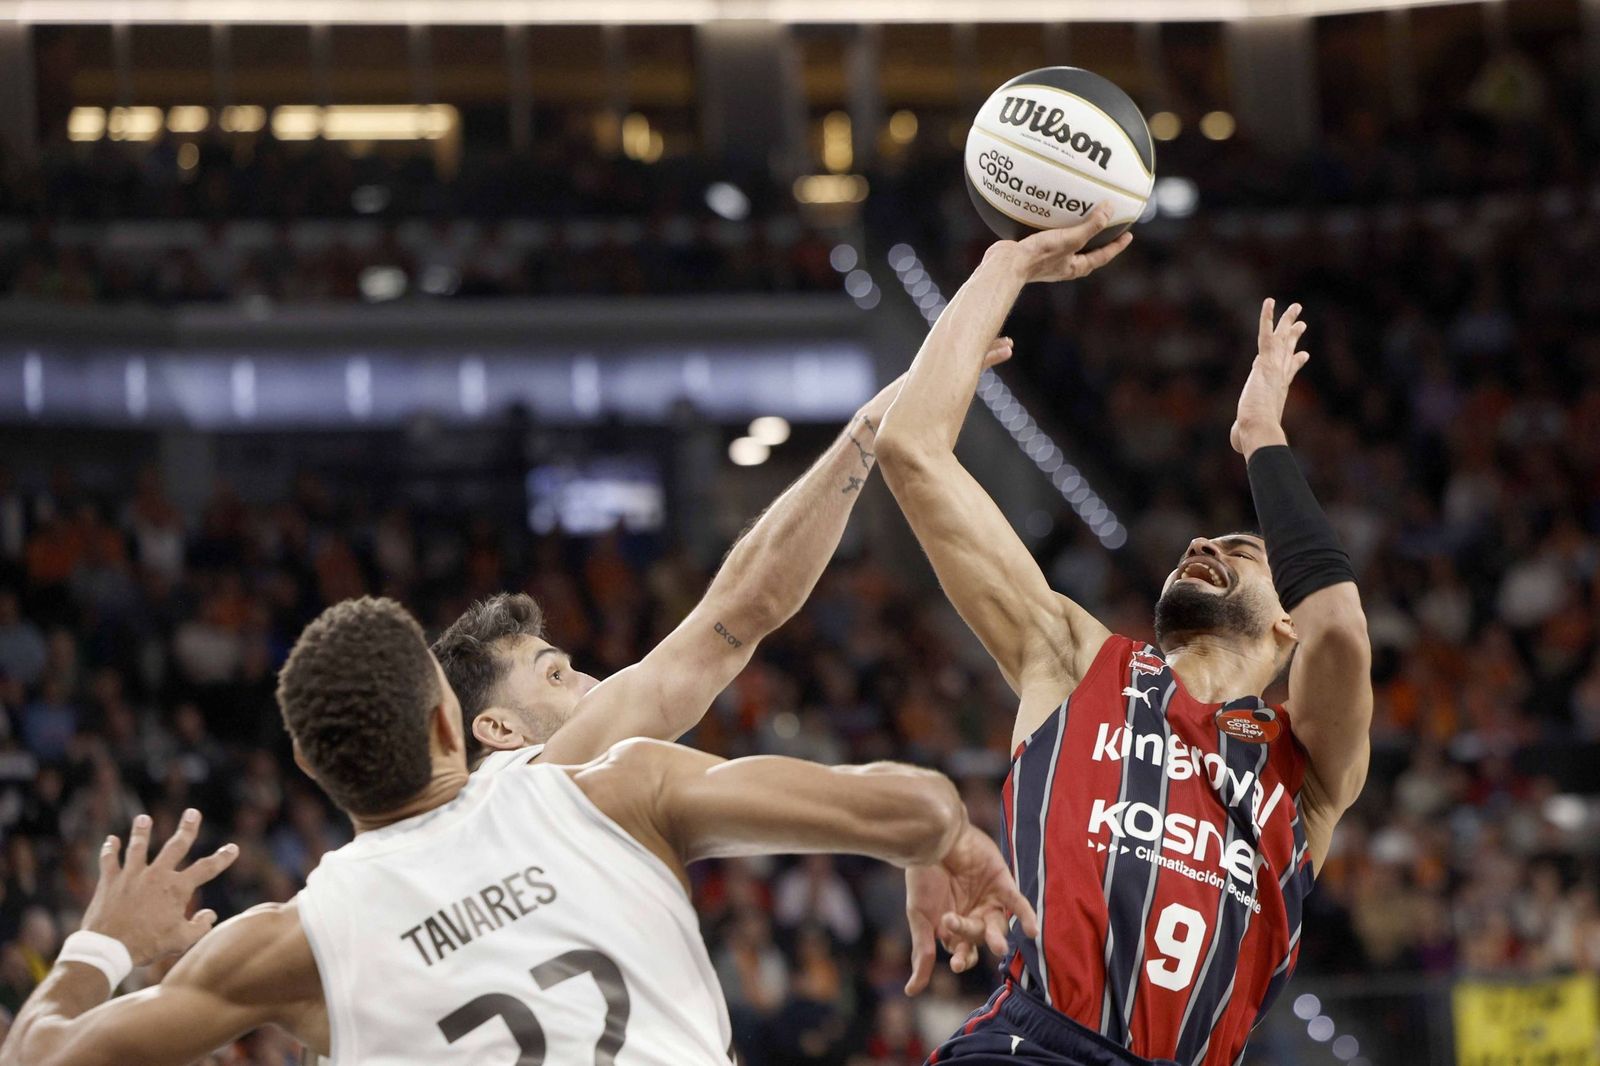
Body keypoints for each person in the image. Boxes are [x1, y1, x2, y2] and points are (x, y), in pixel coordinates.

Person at [0, 597, 1035, 1066]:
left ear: (314, 772)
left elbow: (39, 1058)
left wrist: (103, 942)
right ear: (452, 724)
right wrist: (932, 844)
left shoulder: (286, 943)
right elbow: (912, 803)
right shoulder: (610, 787)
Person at [876, 208, 1372, 1065]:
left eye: (1242, 549)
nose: (1202, 543)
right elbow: (912, 450)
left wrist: (1262, 438)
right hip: (1032, 1046)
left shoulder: (1306, 772)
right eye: (1202, 543)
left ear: (1285, 616)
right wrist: (1005, 267)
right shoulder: (1079, 660)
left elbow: (1342, 633)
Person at [432, 353, 1002, 772]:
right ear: (499, 728)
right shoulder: (529, 780)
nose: (593, 682)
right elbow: (747, 607)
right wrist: (870, 427)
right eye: (555, 676)